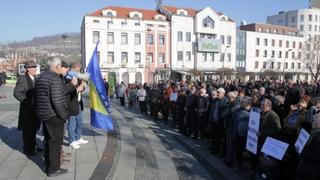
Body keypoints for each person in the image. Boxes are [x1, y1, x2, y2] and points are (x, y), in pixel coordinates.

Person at [35, 58, 68, 177]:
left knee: (49, 140)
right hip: (54, 115)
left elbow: (36, 97)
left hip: (44, 114)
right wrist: (63, 115)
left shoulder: (41, 77)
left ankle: (48, 164)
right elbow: (57, 101)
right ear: (57, 67)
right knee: (55, 143)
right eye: (60, 66)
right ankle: (53, 169)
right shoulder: (55, 79)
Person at [13, 61, 42, 156]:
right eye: (33, 67)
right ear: (28, 69)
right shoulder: (23, 78)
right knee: (27, 130)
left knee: (33, 129)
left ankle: (33, 146)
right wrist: (27, 101)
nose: (35, 69)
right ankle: (27, 149)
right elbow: (17, 93)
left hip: (35, 108)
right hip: (27, 108)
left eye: (35, 67)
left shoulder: (35, 77)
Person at [67, 63, 87, 149]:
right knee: (72, 123)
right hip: (71, 103)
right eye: (77, 70)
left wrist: (83, 87)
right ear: (73, 69)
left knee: (80, 122)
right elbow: (67, 90)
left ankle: (78, 137)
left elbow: (81, 87)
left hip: (78, 103)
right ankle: (72, 141)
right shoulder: (67, 78)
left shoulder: (78, 78)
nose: (78, 72)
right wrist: (77, 89)